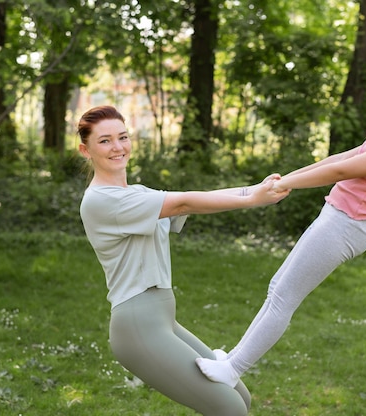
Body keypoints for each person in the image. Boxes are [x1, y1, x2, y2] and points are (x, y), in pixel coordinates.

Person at [196, 52, 366, 388]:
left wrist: (288, 183)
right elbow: (343, 157)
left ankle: (233, 370)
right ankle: (231, 359)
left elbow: (343, 171)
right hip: (339, 217)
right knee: (277, 289)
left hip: (347, 224)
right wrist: (285, 177)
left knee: (285, 296)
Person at [77, 105, 289, 416]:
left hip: (163, 318)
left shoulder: (135, 193)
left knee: (239, 395)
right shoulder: (101, 200)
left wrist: (252, 190)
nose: (118, 147)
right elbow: (184, 201)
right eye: (105, 141)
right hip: (138, 325)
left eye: (123, 137)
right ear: (86, 150)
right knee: (229, 409)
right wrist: (252, 201)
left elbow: (190, 200)